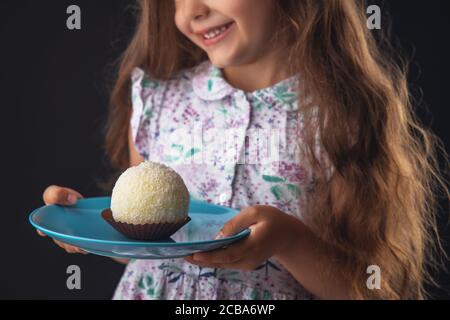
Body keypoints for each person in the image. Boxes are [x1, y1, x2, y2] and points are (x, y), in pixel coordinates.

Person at [38, 0, 449, 299]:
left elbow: (371, 289)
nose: (191, 10)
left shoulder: (340, 116)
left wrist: (289, 241)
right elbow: (147, 248)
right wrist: (85, 228)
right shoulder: (157, 101)